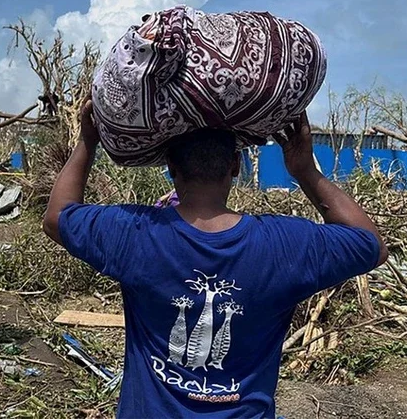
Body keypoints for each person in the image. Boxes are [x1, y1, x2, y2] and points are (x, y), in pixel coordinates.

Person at [43, 101, 388, 419]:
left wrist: (87, 142)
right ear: (236, 166)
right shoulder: (284, 245)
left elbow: (57, 217)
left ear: (170, 168)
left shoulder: (135, 233)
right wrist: (304, 171)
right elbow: (370, 244)